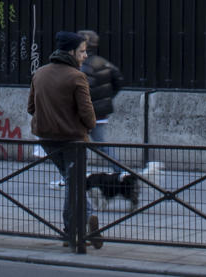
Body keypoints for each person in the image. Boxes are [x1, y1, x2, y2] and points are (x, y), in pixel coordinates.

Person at [26, 31, 103, 249]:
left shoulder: (39, 73)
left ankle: (84, 220)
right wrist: (89, 126)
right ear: (70, 52)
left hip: (47, 138)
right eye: (82, 51)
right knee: (73, 183)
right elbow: (88, 114)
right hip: (73, 140)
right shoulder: (77, 77)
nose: (85, 55)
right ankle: (74, 230)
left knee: (72, 181)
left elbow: (31, 108)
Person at [78, 27, 138, 204]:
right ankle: (122, 173)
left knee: (77, 144)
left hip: (84, 112)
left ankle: (77, 177)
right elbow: (119, 80)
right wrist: (107, 98)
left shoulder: (83, 66)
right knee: (102, 146)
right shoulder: (105, 63)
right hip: (101, 112)